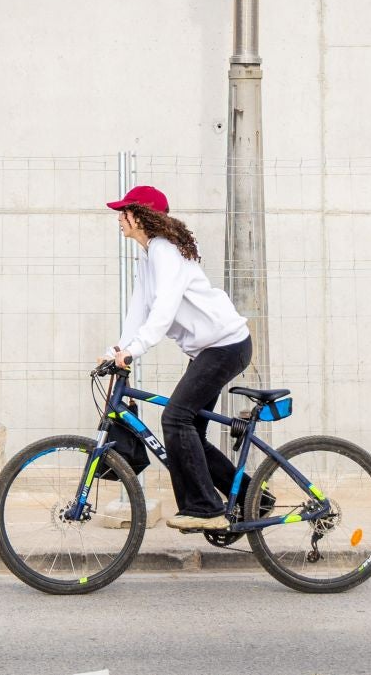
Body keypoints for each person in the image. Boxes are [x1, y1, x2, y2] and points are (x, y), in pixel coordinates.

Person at [102, 184, 253, 531]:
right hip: (210, 349)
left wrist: (136, 349)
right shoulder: (149, 255)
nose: (119, 218)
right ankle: (250, 496)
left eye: (124, 211)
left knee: (175, 419)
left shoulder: (165, 251)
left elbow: (165, 308)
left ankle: (205, 507)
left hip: (225, 345)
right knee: (191, 432)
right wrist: (117, 350)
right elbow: (139, 309)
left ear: (142, 216)